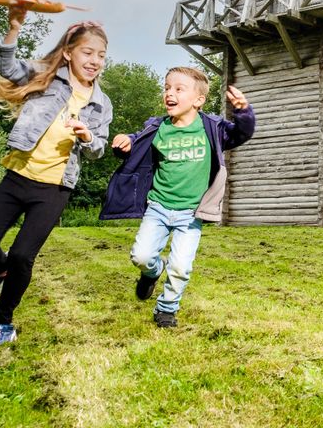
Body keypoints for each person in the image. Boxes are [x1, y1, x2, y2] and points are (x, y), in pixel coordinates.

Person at [0, 6, 112, 346]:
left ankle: (2, 323)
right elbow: (7, 67)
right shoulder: (45, 75)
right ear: (69, 53)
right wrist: (14, 28)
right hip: (18, 176)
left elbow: (99, 150)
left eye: (101, 55)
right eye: (88, 53)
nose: (95, 61)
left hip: (54, 188)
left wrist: (87, 137)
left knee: (22, 255)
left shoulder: (101, 103)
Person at [100, 67, 254, 328]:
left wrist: (243, 112)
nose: (170, 93)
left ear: (198, 100)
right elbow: (136, 144)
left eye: (179, 89)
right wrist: (126, 142)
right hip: (158, 207)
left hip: (191, 213)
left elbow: (241, 133)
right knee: (141, 256)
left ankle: (166, 309)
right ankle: (153, 272)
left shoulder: (212, 128)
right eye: (167, 88)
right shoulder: (158, 128)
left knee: (181, 267)